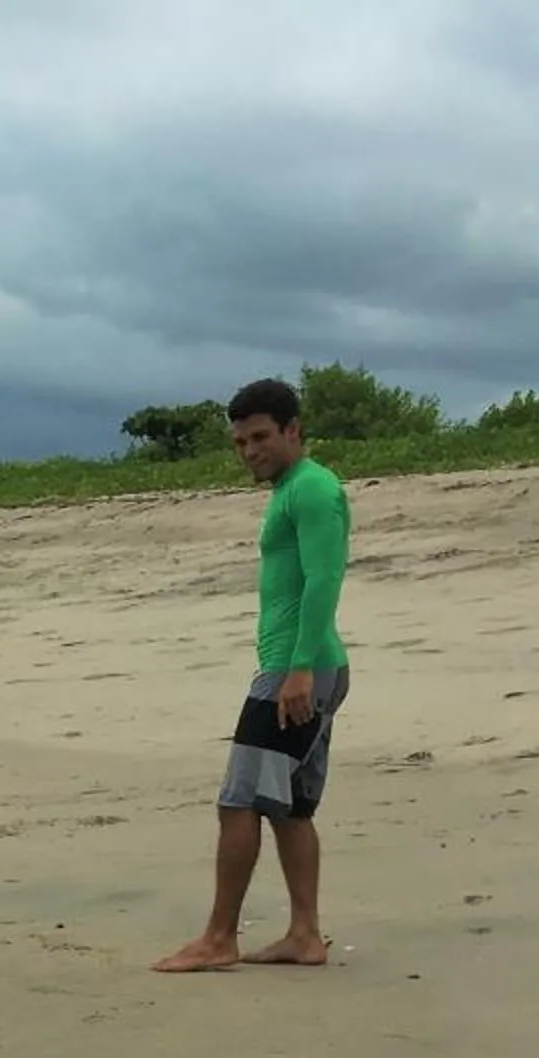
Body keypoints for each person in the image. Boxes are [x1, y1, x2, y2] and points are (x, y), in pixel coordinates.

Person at [154, 377, 352, 973]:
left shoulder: (312, 488)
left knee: (237, 801)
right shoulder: (292, 489)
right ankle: (305, 935)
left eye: (261, 437)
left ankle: (219, 939)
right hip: (305, 665)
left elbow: (324, 578)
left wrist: (298, 669)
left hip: (298, 668)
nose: (249, 451)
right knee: (291, 809)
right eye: (240, 442)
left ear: (293, 430)